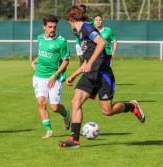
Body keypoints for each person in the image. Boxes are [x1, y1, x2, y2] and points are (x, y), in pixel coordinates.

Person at [58, 6, 145, 148]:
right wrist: (74, 75)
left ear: (71, 19)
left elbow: (102, 43)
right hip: (90, 74)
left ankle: (132, 106)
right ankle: (75, 140)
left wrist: (90, 63)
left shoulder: (87, 28)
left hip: (103, 74)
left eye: (68, 21)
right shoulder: (80, 34)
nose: (68, 24)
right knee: (76, 101)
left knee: (107, 111)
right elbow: (87, 59)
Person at [31, 14, 70, 138]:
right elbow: (43, 54)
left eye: (54, 27)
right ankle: (49, 131)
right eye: (50, 27)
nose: (52, 29)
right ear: (44, 27)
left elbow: (66, 60)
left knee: (54, 107)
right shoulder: (40, 38)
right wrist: (35, 61)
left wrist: (55, 75)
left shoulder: (62, 42)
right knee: (41, 103)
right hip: (39, 76)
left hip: (54, 77)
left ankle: (66, 115)